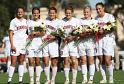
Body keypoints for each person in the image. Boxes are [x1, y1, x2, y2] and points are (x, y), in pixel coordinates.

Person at [95, 2, 116, 83]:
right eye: (97, 9)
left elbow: (113, 27)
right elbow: (94, 29)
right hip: (99, 40)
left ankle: (111, 78)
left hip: (108, 39)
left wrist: (103, 31)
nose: (98, 10)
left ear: (103, 8)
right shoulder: (96, 18)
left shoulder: (109, 16)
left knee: (107, 60)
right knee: (101, 60)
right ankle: (104, 78)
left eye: (99, 8)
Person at [7, 7, 28, 84]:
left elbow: (28, 32)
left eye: (21, 12)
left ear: (23, 12)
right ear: (17, 12)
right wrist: (12, 45)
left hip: (23, 44)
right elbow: (10, 33)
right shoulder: (13, 21)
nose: (20, 13)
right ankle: (9, 80)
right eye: (18, 12)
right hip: (15, 43)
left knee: (21, 61)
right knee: (13, 61)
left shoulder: (26, 21)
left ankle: (20, 80)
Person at [78, 6, 97, 84]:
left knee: (91, 60)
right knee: (83, 61)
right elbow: (77, 32)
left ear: (90, 12)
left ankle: (91, 79)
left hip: (91, 43)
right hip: (82, 43)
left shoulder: (94, 21)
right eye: (85, 12)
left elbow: (96, 32)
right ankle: (84, 78)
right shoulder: (80, 21)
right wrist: (81, 34)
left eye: (87, 12)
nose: (86, 13)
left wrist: (90, 32)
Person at [61, 6, 79, 84]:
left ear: (72, 13)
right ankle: (67, 79)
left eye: (69, 13)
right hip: (64, 43)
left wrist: (72, 37)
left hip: (73, 43)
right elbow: (59, 32)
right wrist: (64, 38)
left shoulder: (76, 21)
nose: (68, 14)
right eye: (67, 13)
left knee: (74, 61)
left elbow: (79, 32)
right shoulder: (61, 21)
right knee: (66, 61)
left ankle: (74, 79)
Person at [43, 7, 61, 84]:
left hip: (54, 43)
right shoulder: (45, 21)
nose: (52, 14)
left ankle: (52, 80)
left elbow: (61, 34)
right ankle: (47, 79)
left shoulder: (59, 22)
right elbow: (42, 31)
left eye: (53, 13)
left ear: (56, 13)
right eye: (50, 13)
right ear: (48, 13)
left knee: (54, 62)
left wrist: (54, 37)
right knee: (46, 61)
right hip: (45, 43)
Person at [26, 7, 45, 84]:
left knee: (37, 62)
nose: (36, 14)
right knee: (30, 61)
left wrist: (35, 33)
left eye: (37, 13)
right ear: (32, 14)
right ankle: (31, 80)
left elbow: (43, 33)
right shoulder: (28, 22)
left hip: (39, 44)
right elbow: (26, 33)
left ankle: (37, 80)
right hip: (30, 44)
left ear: (39, 13)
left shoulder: (42, 22)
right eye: (34, 13)